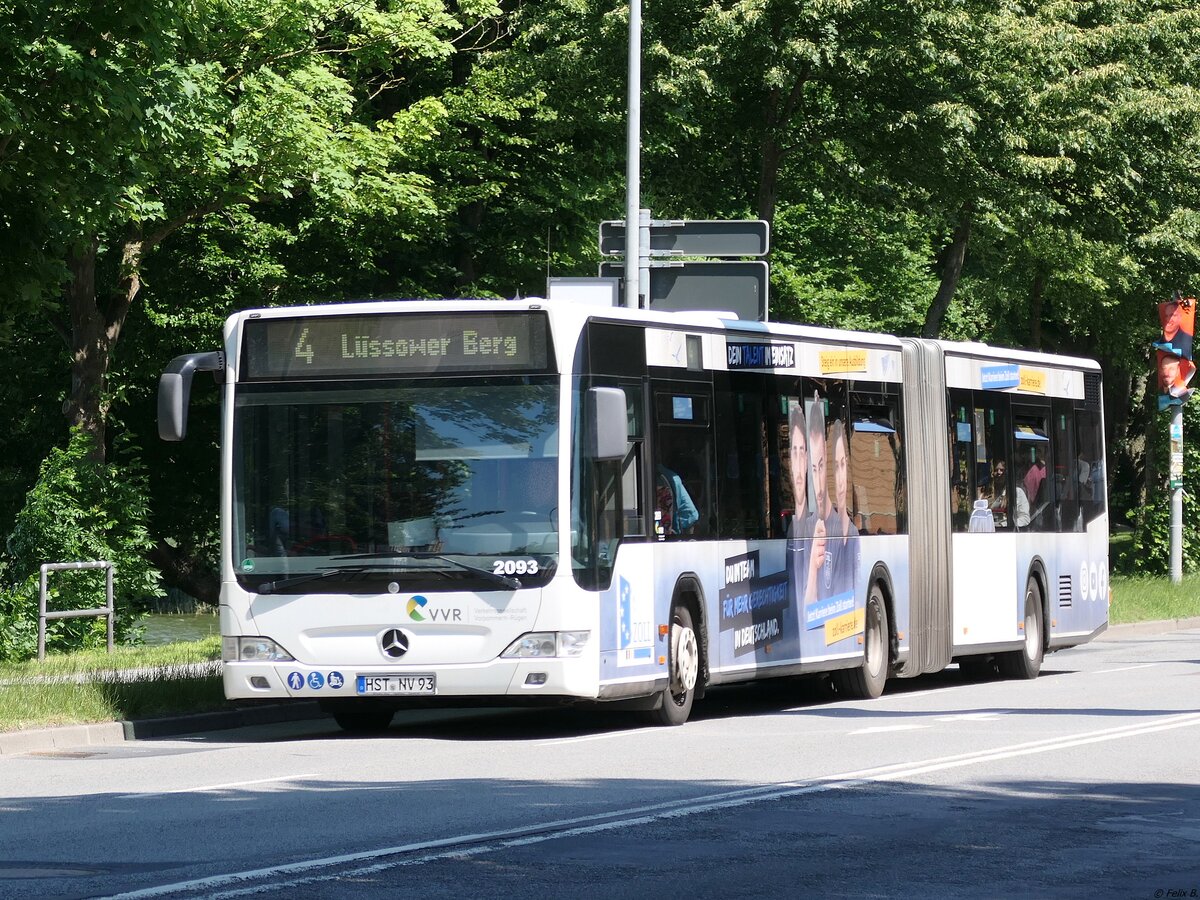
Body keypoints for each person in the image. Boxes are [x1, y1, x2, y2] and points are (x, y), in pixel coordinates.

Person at [824, 419, 860, 598]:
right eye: (835, 467)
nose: (839, 478)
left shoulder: (854, 533)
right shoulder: (824, 531)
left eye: (842, 465)